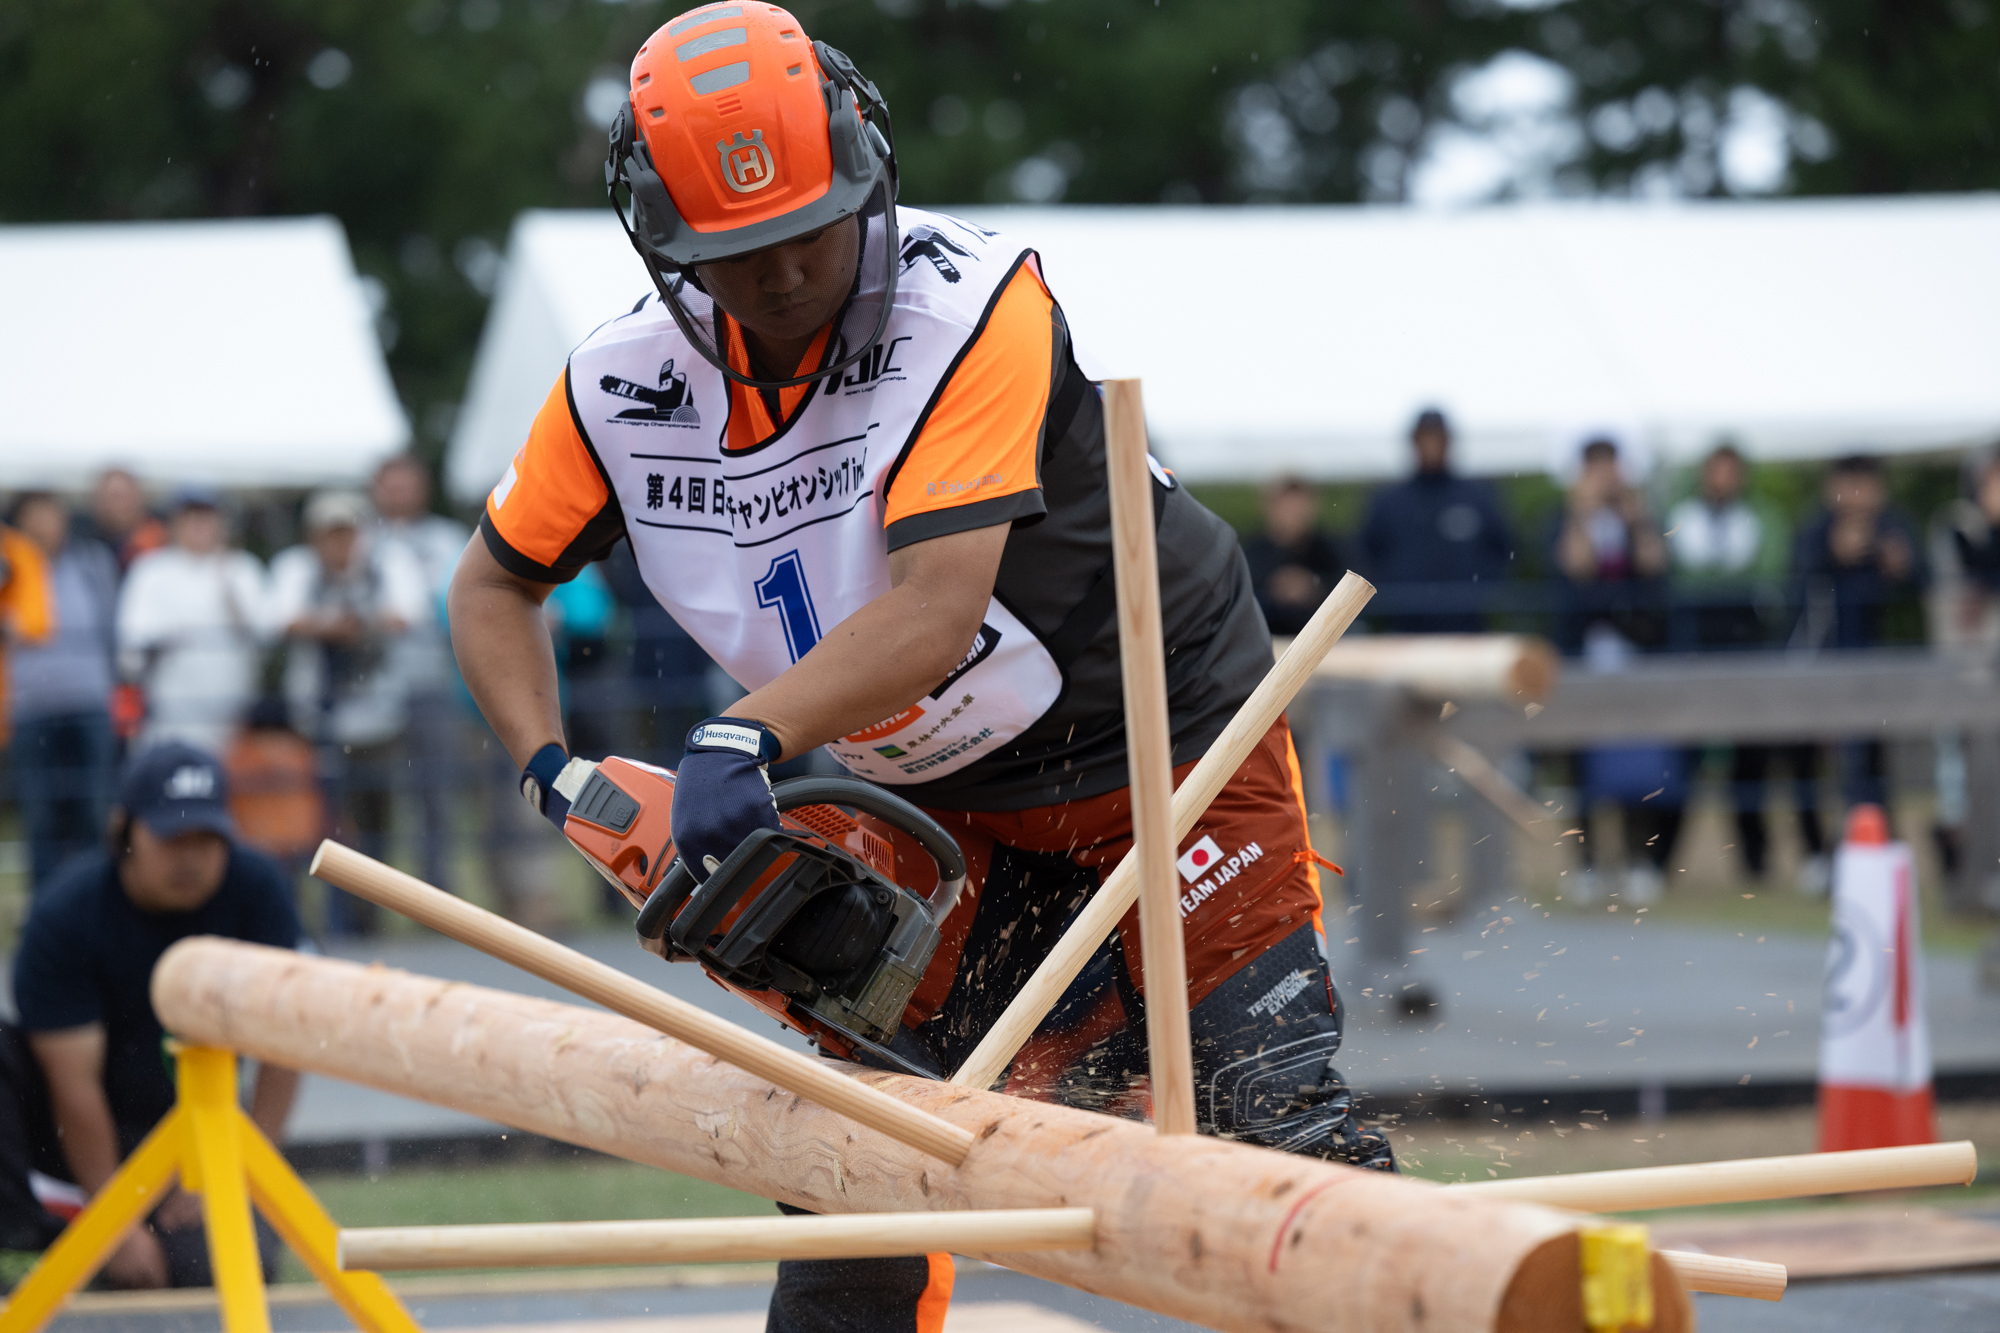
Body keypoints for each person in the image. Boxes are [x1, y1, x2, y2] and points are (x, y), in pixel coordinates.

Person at [450, 10, 1393, 1329]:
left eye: (807, 231)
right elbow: (494, 583)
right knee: (848, 1138)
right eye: (736, 253)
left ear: (865, 175)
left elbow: (935, 613)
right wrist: (553, 775)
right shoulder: (616, 388)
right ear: (662, 236)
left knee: (1268, 1118)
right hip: (931, 787)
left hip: (1162, 742)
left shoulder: (977, 303)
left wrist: (743, 738)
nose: (780, 275)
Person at [11, 742, 302, 1288]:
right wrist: (112, 1223)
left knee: (229, 1268)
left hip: (203, 1124)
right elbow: (73, 1088)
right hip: (69, 1140)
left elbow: (287, 1044)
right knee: (112, 1275)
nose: (191, 858)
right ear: (124, 832)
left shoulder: (258, 890)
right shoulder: (65, 916)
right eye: (172, 838)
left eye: (208, 840)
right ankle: (42, 1236)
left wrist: (241, 1169)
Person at [270, 490, 428, 937]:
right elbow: (281, 619)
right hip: (319, 718)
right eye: (330, 534)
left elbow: (407, 615)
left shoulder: (386, 565)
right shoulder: (296, 569)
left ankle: (368, 918)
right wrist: (339, 625)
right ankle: (328, 919)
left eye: (347, 533)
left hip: (379, 717)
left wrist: (344, 625)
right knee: (320, 822)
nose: (340, 544)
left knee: (377, 822)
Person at [1662, 445, 1813, 884]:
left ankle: (1755, 864)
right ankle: (1658, 863)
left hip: (1748, 647)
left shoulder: (1761, 518)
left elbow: (1766, 575)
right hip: (1695, 653)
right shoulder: (1682, 515)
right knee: (1683, 761)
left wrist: (1718, 581)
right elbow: (1682, 579)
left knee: (1751, 763)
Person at [1552, 436, 1679, 904]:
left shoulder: (1639, 516)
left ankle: (1636, 859)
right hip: (1583, 654)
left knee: (1636, 761)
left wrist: (1636, 517)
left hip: (1633, 652)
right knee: (1580, 759)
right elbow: (1574, 566)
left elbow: (1653, 564)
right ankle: (1586, 865)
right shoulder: (1565, 519)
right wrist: (1583, 514)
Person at [1789, 455, 1926, 864]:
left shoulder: (1893, 525)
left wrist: (1897, 564)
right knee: (1816, 762)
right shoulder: (1816, 528)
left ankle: (1877, 842)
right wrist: (1833, 555)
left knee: (1872, 760)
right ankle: (1821, 853)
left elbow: (1922, 578)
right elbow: (1793, 580)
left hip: (1880, 665)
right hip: (1822, 664)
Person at [7, 493, 121, 894]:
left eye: (49, 514)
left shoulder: (91, 563)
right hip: (29, 706)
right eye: (32, 516)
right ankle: (46, 908)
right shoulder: (11, 564)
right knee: (40, 817)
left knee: (96, 810)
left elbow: (112, 627)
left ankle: (98, 899)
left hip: (90, 701)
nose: (42, 524)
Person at [369, 455, 471, 892]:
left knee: (435, 793)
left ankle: (437, 891)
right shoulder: (362, 540)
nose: (399, 494)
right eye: (391, 486)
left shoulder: (448, 539)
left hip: (434, 682)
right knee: (373, 800)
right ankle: (373, 900)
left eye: (407, 484)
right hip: (373, 688)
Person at [115, 488, 271, 754]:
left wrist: (228, 589)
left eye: (207, 517)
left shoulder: (243, 568)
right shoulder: (151, 571)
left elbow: (265, 634)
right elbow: (132, 643)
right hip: (170, 716)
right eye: (191, 517)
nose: (199, 526)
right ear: (175, 523)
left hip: (233, 717)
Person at [1356, 408, 1513, 632]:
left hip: (1467, 627)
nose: (1431, 444)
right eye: (1425, 437)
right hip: (1404, 628)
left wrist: (1477, 593)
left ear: (1449, 441)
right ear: (1413, 442)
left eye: (1437, 437)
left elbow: (1504, 549)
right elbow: (1366, 553)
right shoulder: (1388, 501)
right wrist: (1394, 595)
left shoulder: (1478, 496)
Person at [1241, 476, 1345, 636]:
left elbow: (1355, 584)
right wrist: (1274, 589)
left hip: (1323, 641)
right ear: (1269, 505)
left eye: (1299, 503)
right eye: (1285, 503)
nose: (1293, 511)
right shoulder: (1250, 551)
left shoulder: (1330, 549)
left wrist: (1314, 586)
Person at [76, 468, 167, 577]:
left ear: (139, 498)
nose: (117, 506)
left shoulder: (161, 540)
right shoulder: (86, 548)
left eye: (121, 496)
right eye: (110, 497)